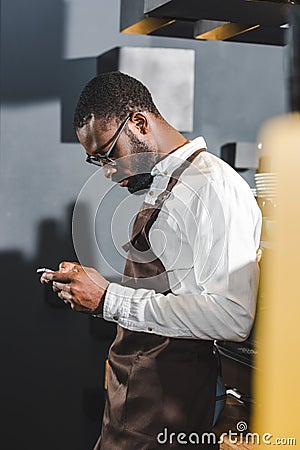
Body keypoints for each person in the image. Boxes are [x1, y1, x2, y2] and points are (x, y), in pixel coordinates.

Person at [40, 72, 262, 449]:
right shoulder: (166, 183)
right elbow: (171, 293)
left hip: (170, 405)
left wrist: (109, 299)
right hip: (133, 395)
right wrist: (96, 290)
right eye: (96, 161)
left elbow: (231, 316)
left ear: (140, 124)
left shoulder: (213, 188)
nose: (108, 172)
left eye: (109, 155)